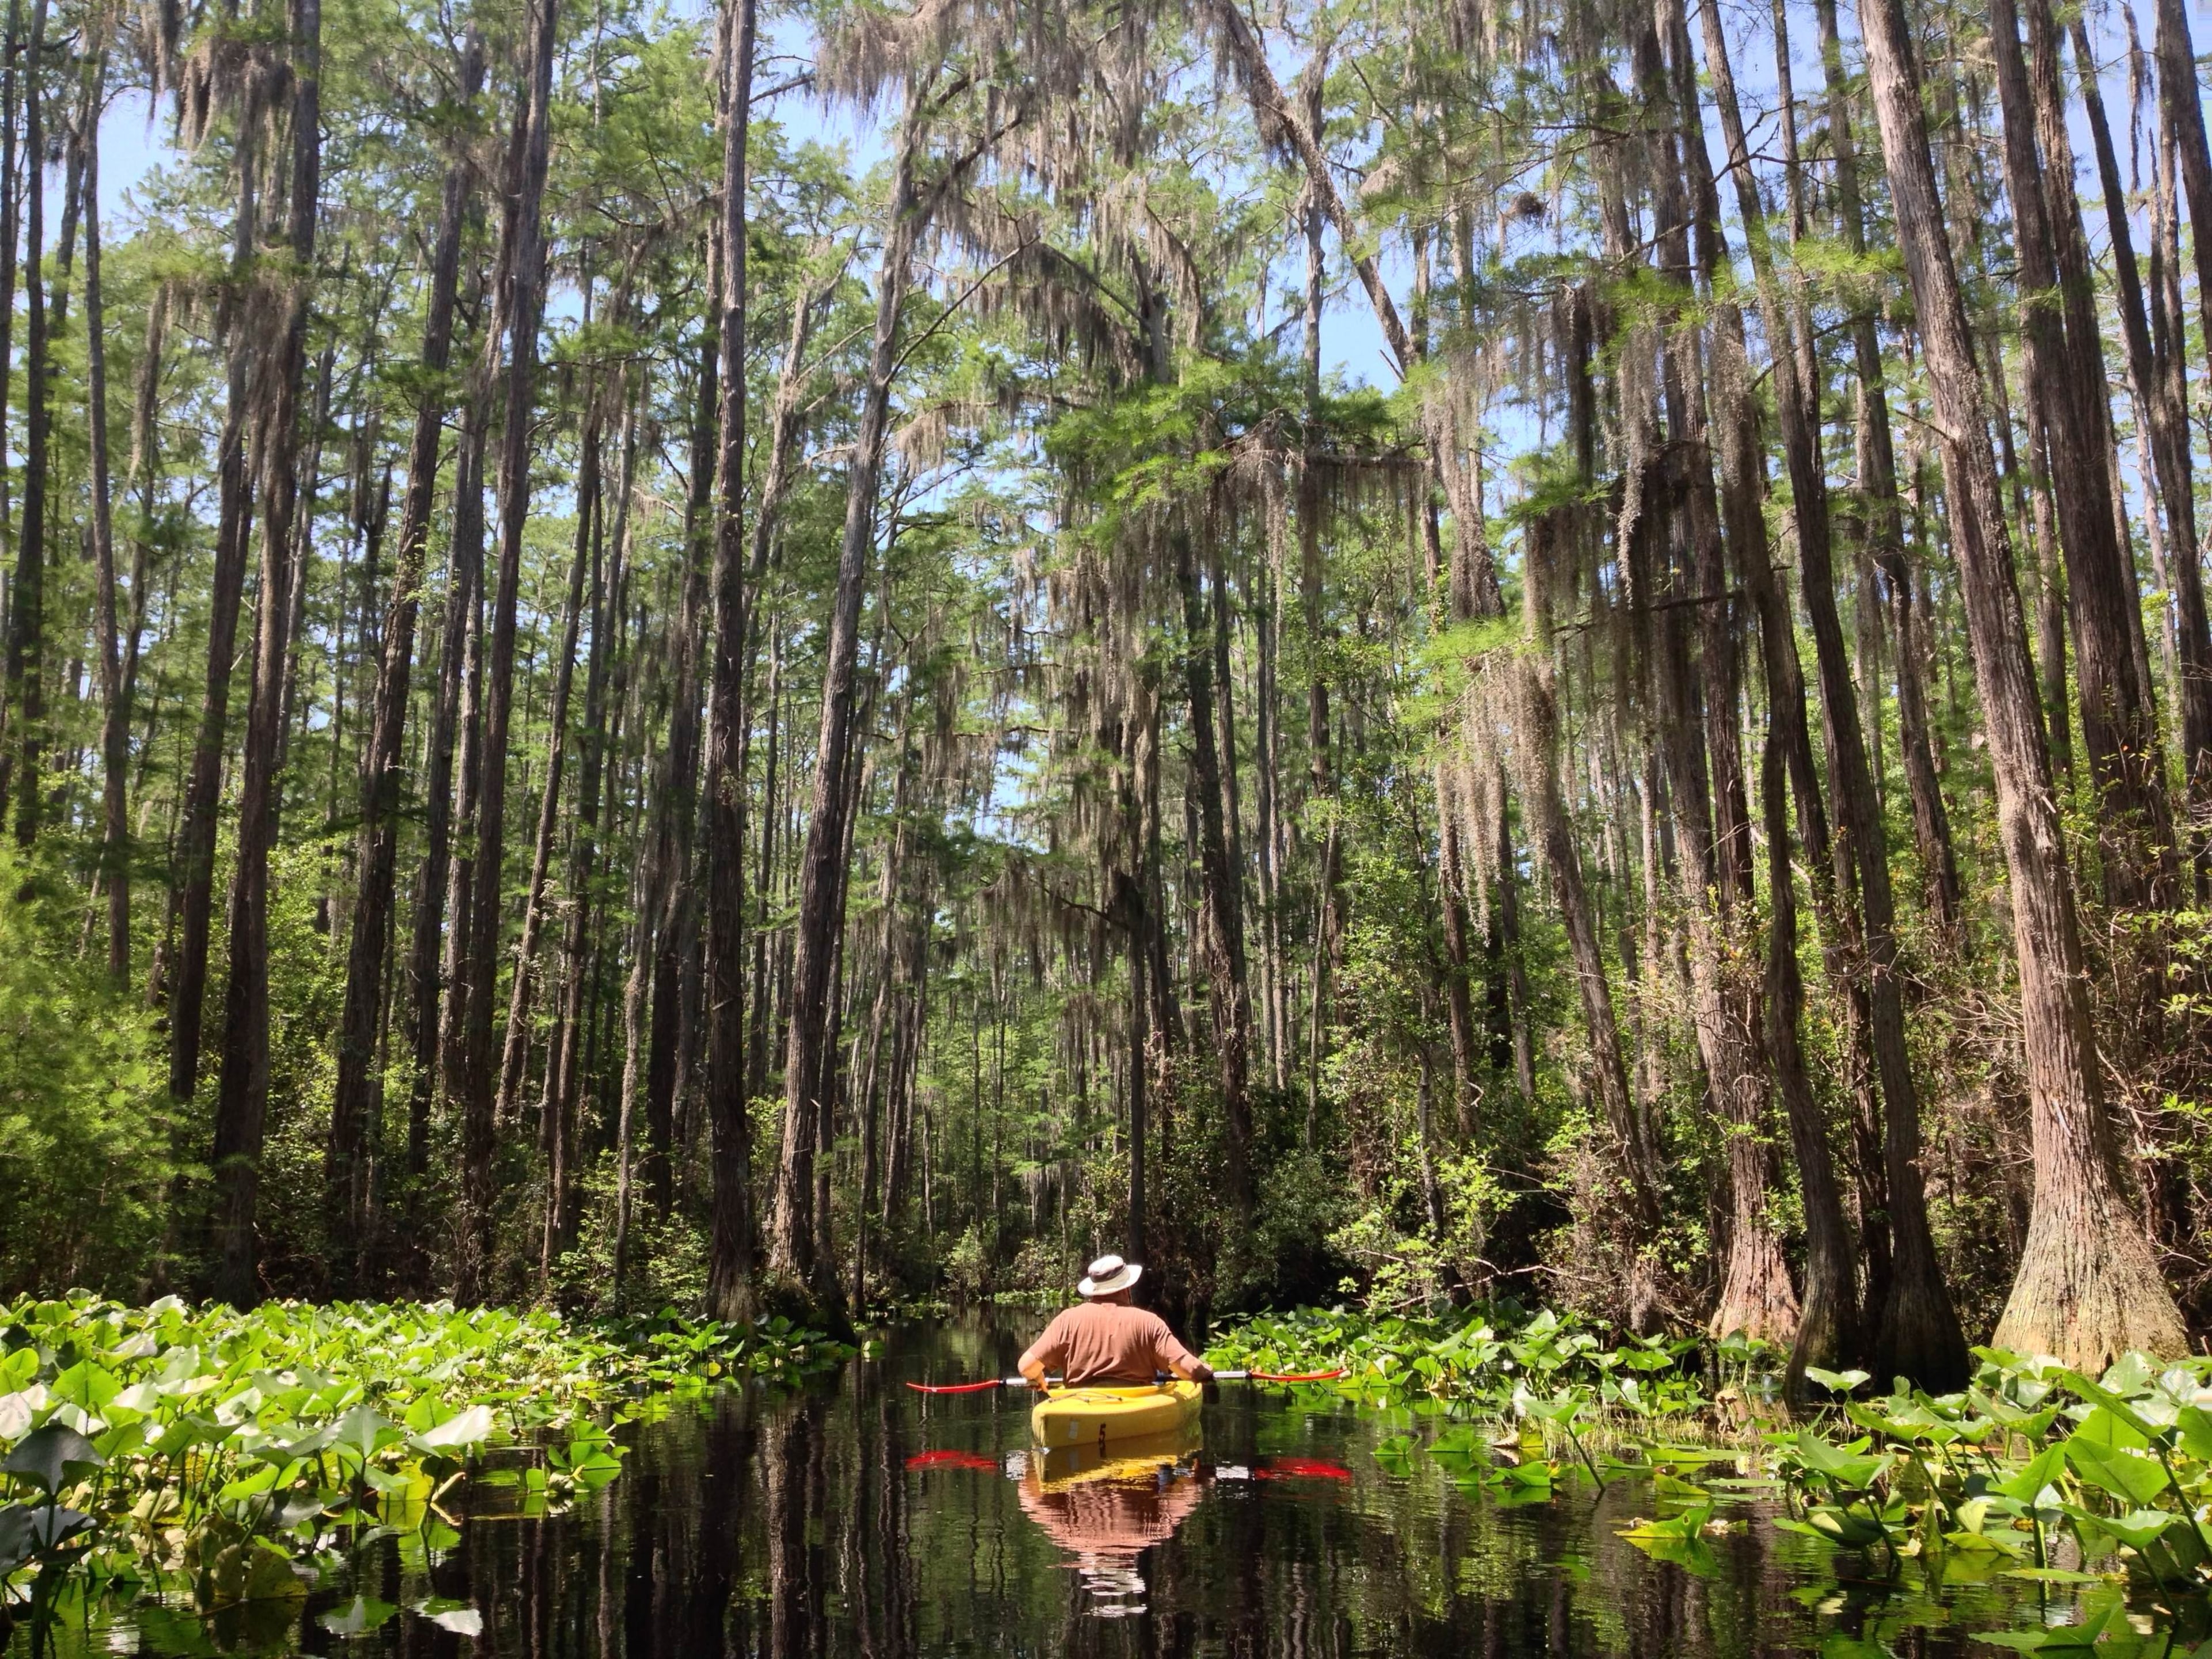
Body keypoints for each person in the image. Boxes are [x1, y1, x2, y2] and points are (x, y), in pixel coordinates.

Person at [1017, 1254, 1216, 1389]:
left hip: (1080, 1405)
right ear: (1126, 1289)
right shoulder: (1148, 1323)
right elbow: (1187, 1369)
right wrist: (1205, 1371)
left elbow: (1026, 1367)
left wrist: (1037, 1377)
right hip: (1133, 1406)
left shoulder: (1066, 1321)